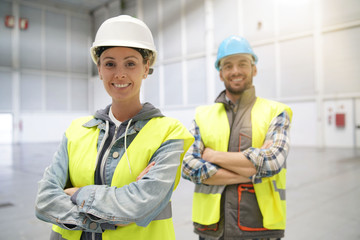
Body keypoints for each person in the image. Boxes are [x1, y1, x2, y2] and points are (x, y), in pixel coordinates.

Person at [35, 15, 194, 240]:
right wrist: (114, 212)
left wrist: (77, 193)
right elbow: (45, 200)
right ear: (99, 69)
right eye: (110, 64)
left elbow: (140, 204)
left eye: (130, 63)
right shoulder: (75, 130)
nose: (119, 74)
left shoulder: (169, 133)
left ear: (146, 68)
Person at [182, 35, 293, 240]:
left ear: (254, 69)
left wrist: (212, 155)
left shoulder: (276, 111)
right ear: (220, 73)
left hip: (260, 229)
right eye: (228, 65)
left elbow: (271, 162)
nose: (235, 71)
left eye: (242, 64)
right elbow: (188, 166)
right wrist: (252, 169)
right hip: (212, 230)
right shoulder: (203, 116)